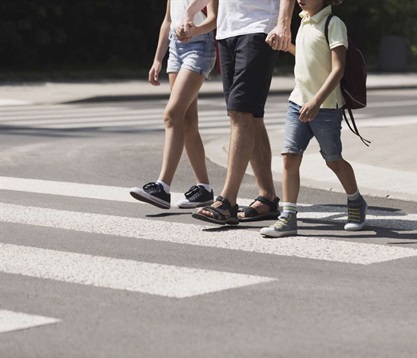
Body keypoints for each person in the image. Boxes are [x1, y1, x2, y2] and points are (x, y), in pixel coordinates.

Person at [179, 0, 296, 225]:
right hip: (227, 31)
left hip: (259, 28)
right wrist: (190, 12)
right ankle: (268, 198)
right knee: (251, 115)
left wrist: (283, 23)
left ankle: (227, 201)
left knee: (240, 112)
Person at [260, 0, 368, 237]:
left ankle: (356, 201)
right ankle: (288, 217)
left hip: (326, 107)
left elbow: (337, 69)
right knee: (289, 156)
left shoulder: (334, 23)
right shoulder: (303, 21)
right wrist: (285, 46)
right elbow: (305, 56)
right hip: (297, 102)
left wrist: (316, 102)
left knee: (333, 160)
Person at [130, 0, 218, 210]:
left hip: (199, 46)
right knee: (187, 121)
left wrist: (194, 31)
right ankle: (204, 189)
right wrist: (157, 59)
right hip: (175, 48)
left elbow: (213, 19)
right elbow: (168, 20)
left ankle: (162, 187)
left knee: (171, 115)